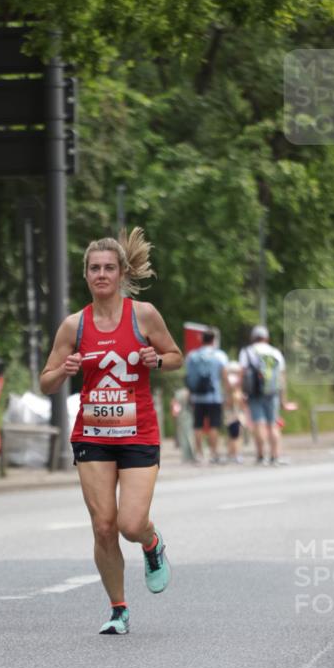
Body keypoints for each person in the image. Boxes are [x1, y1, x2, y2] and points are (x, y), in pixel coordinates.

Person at [40, 228, 183, 634]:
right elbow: (45, 381)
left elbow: (176, 357)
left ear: (121, 273)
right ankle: (118, 609)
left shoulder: (144, 315)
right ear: (85, 276)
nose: (101, 274)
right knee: (103, 526)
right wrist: (62, 372)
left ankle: (152, 546)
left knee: (130, 524)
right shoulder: (74, 326)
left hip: (138, 434)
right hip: (92, 435)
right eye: (94, 268)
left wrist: (156, 360)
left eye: (108, 268)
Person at [239, 325, 287, 466]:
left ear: (253, 338)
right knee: (273, 424)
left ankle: (261, 456)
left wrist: (242, 392)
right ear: (266, 338)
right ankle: (275, 456)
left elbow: (242, 373)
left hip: (254, 393)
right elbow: (282, 377)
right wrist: (283, 398)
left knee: (258, 424)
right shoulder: (275, 352)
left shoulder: (247, 351)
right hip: (273, 393)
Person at [185, 330, 228, 464]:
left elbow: (189, 376)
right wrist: (226, 393)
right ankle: (214, 453)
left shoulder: (193, 355)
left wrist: (190, 393)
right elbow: (225, 375)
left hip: (197, 396)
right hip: (214, 396)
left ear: (201, 339)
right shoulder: (219, 355)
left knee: (197, 425)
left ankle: (199, 454)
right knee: (214, 425)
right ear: (213, 340)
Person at [222, 359, 247, 463]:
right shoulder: (233, 383)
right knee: (235, 433)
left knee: (232, 433)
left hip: (231, 413)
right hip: (234, 413)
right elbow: (236, 398)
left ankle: (232, 453)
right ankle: (235, 454)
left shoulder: (226, 382)